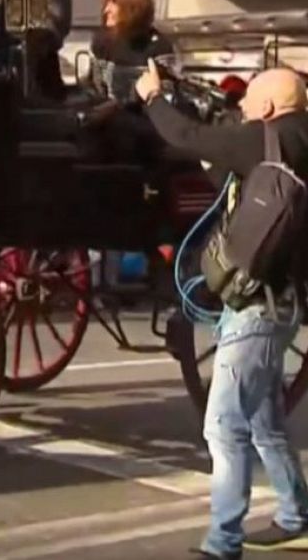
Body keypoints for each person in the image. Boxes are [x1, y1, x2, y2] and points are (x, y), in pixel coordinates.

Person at [135, 64, 308, 558]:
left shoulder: (263, 138)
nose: (243, 110)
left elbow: (185, 137)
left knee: (223, 425)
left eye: (250, 101)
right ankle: (296, 514)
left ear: (271, 108)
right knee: (264, 421)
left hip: (254, 304)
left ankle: (223, 541)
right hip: (289, 301)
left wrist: (153, 97)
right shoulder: (297, 139)